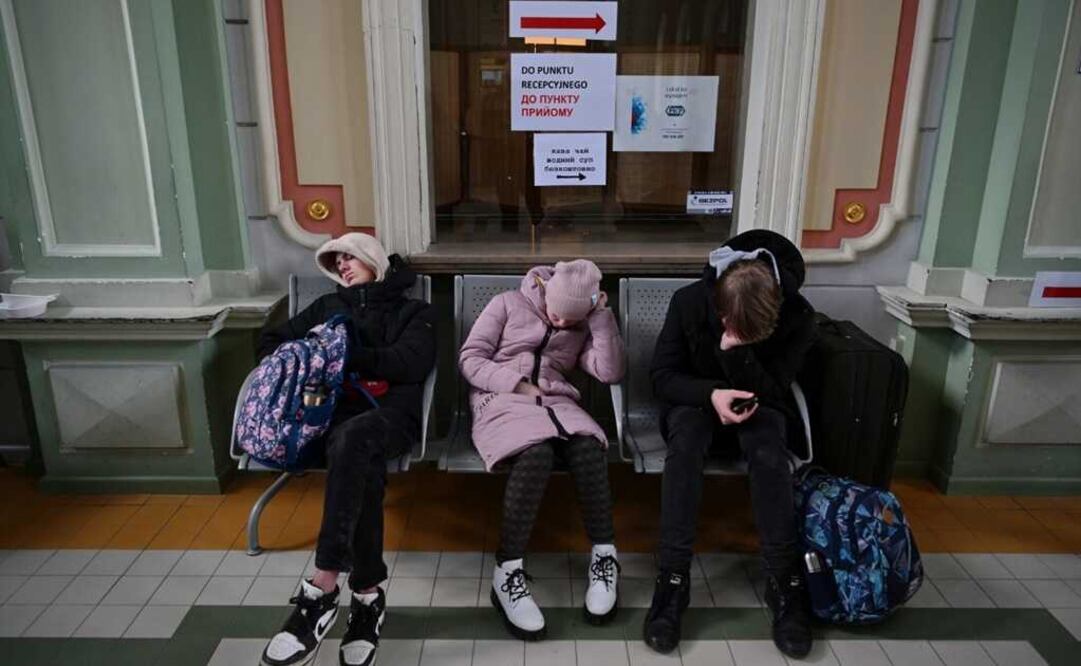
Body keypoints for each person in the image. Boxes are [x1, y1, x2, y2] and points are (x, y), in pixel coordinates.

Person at [257, 233, 436, 666]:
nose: (342, 266)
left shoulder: (416, 312)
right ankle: (367, 597)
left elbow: (411, 363)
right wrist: (306, 357)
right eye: (336, 261)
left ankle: (321, 588)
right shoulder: (327, 309)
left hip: (392, 415)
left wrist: (345, 355)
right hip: (328, 420)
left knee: (356, 442)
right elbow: (267, 344)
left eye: (350, 257)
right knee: (360, 461)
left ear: (373, 259)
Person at [643, 230, 817, 659]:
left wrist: (738, 355)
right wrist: (711, 396)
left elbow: (777, 389)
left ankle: (784, 581)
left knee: (768, 450)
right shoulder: (689, 301)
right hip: (698, 400)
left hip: (760, 401)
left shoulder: (800, 316)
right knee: (684, 447)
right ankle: (673, 580)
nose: (727, 330)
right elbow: (663, 377)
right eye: (725, 324)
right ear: (716, 303)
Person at [459, 260, 625, 640]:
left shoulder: (582, 323)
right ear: (546, 294)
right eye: (556, 314)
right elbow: (470, 359)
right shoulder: (506, 304)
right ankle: (507, 571)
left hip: (555, 402)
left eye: (573, 319)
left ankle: (604, 557)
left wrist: (600, 319)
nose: (563, 325)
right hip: (498, 399)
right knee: (537, 455)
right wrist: (516, 385)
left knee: (587, 446)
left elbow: (611, 371)